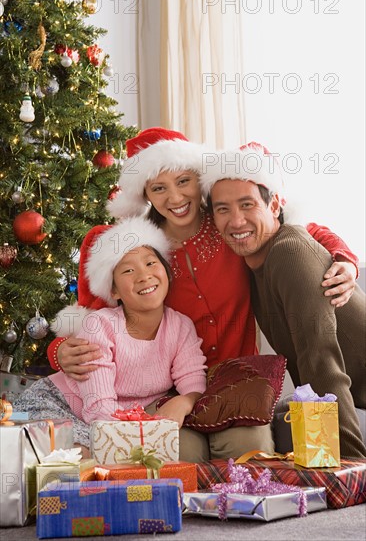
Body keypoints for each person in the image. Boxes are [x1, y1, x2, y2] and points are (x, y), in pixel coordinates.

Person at [47, 128, 359, 458]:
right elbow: (96, 319)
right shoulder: (141, 250)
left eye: (184, 181)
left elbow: (296, 229)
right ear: (146, 195)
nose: (175, 198)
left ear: (199, 179)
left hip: (240, 382)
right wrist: (61, 350)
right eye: (159, 188)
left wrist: (346, 260)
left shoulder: (230, 223)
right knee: (177, 458)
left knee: (251, 452)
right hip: (171, 389)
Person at [201, 142, 366, 458]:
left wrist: (347, 465)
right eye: (223, 209)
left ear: (274, 204)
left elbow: (320, 362)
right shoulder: (251, 262)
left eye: (247, 204)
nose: (236, 222)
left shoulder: (289, 253)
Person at [13, 217, 207, 461]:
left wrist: (185, 401)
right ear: (113, 291)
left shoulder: (181, 326)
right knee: (80, 456)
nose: (144, 276)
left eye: (150, 263)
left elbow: (193, 380)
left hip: (114, 418)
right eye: (128, 270)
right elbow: (98, 407)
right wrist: (135, 440)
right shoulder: (100, 326)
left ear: (166, 271)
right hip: (61, 404)